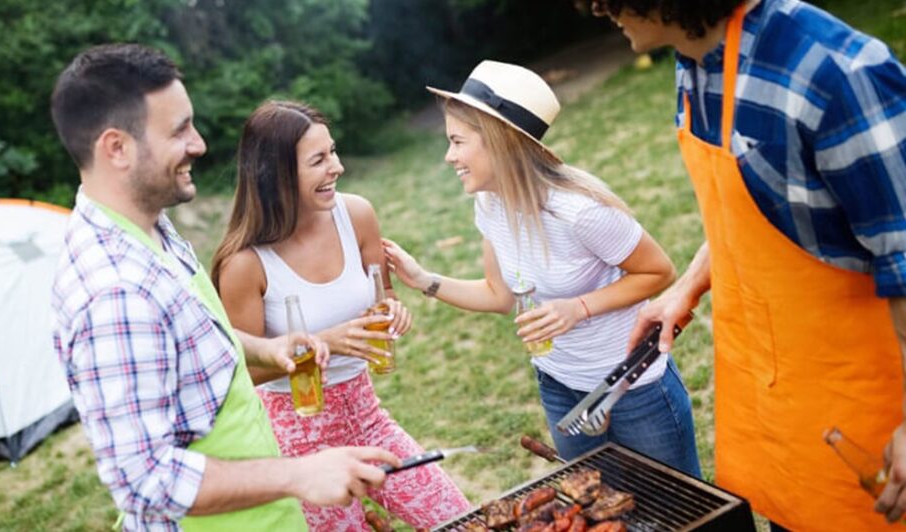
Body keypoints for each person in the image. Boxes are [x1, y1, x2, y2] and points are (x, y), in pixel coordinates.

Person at [49, 44, 398, 531]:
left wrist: (269, 348)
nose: (199, 143)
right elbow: (146, 481)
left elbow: (196, 341)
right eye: (178, 130)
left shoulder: (151, 231)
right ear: (117, 148)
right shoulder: (115, 293)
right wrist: (297, 474)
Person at [584, 0, 906, 528]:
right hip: (773, 407)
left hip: (867, 419)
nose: (597, 8)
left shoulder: (835, 72)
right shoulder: (694, 59)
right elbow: (765, 208)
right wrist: (686, 286)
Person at [383, 60, 701, 477]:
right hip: (558, 386)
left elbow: (659, 272)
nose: (449, 156)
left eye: (457, 141)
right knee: (601, 509)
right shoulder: (490, 204)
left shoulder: (578, 211)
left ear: (498, 142)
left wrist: (578, 308)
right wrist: (424, 280)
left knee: (679, 511)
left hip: (632, 385)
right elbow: (499, 297)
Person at [210, 100, 471, 531]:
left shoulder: (357, 215)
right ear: (276, 175)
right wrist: (321, 344)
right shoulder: (244, 264)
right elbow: (238, 375)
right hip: (300, 444)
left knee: (460, 520)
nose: (338, 167)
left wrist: (392, 309)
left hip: (368, 418)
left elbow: (380, 294)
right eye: (319, 160)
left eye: (332, 152)